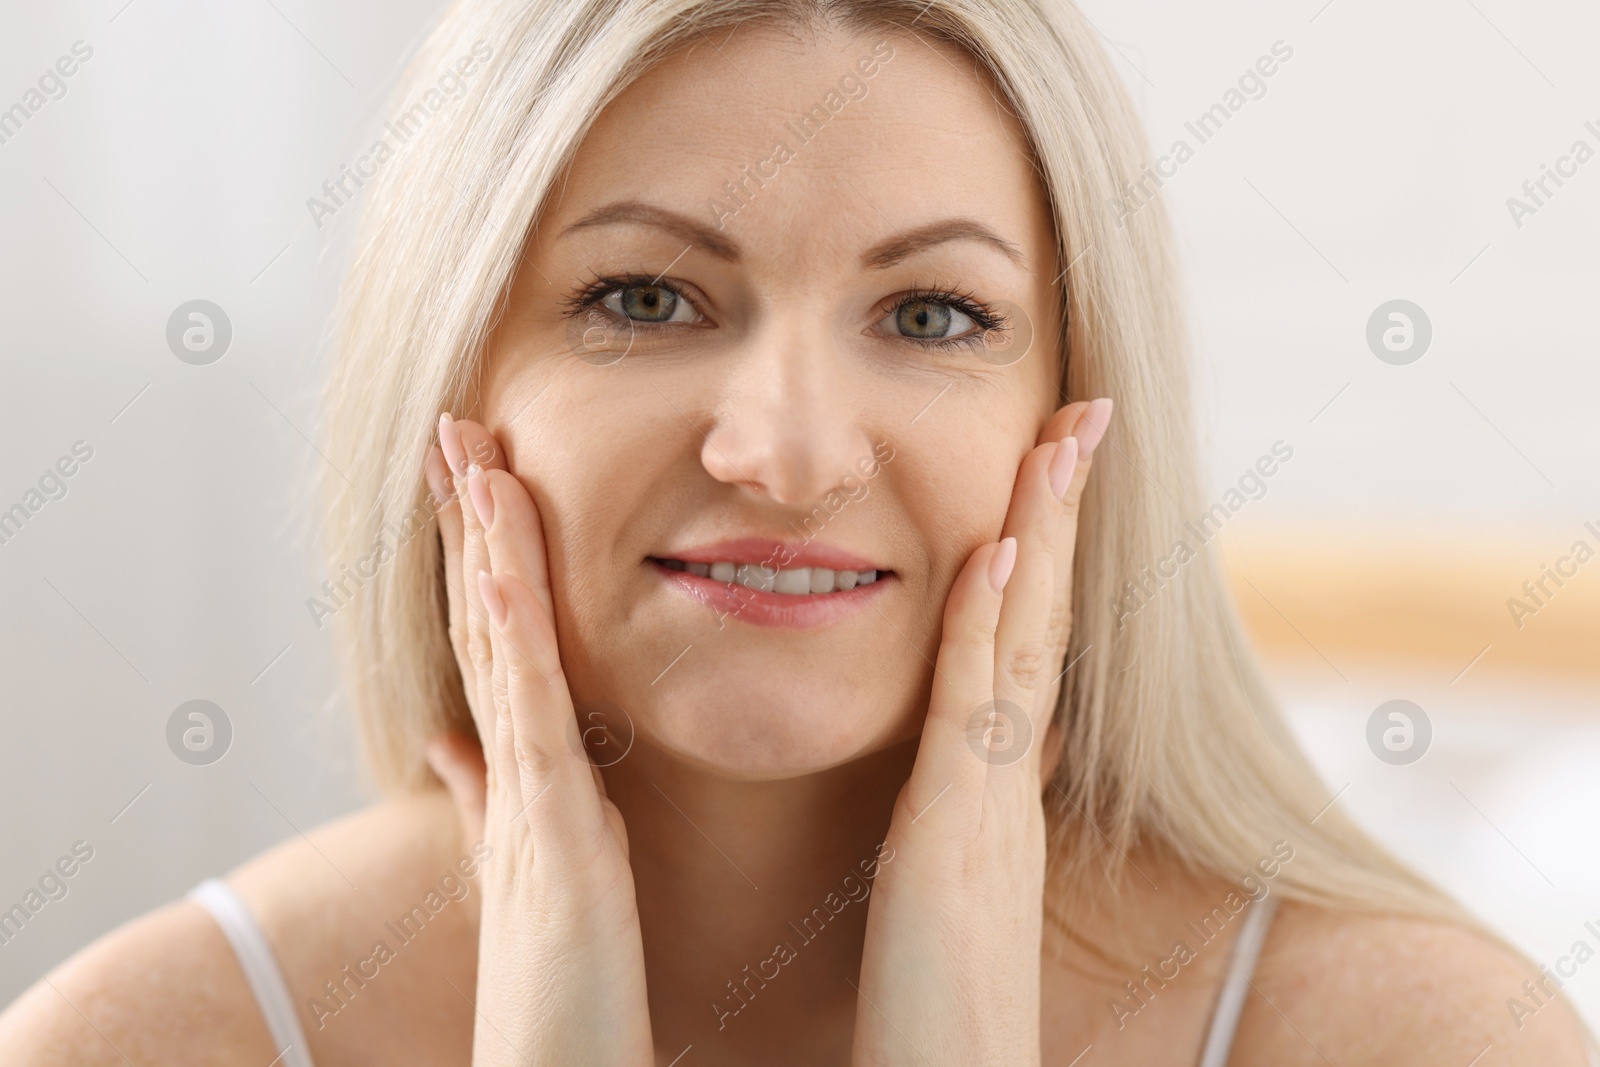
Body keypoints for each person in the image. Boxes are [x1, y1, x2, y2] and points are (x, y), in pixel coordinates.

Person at [2, 1, 1592, 1063]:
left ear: (1079, 408)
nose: (788, 454)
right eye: (642, 296)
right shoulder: (147, 1043)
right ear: (450, 379)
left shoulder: (1430, 1042)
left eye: (931, 311)